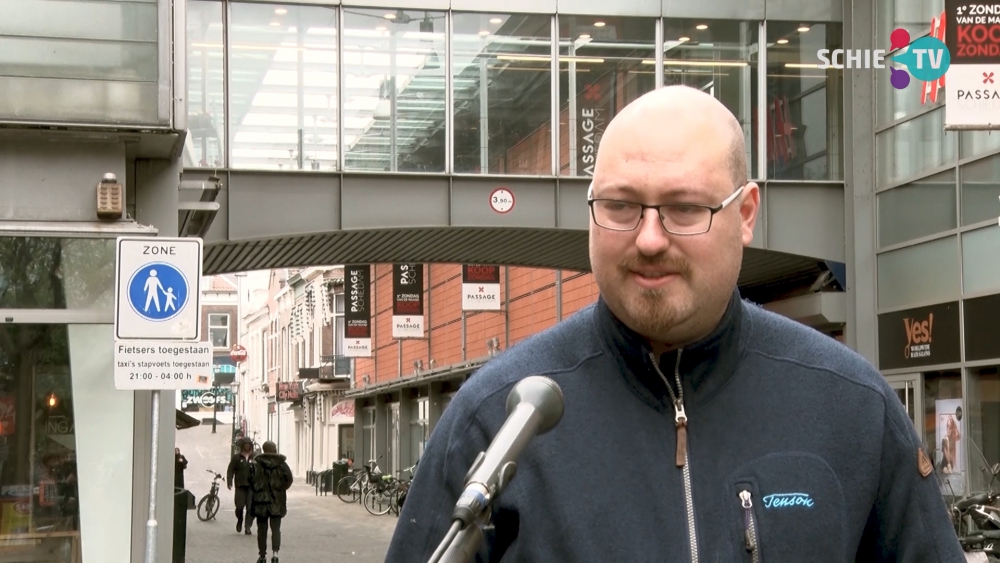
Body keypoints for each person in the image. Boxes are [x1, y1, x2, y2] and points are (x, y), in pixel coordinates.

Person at [384, 85, 965, 562]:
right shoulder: (497, 418)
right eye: (620, 206)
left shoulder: (852, 408)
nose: (650, 238)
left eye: (685, 209)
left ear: (745, 215)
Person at [250, 441, 293, 563]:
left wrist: (258, 490)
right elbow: (289, 479)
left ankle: (262, 555)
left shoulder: (256, 464)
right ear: (274, 449)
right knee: (275, 529)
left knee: (262, 530)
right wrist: (280, 489)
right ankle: (275, 555)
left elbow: (251, 480)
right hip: (276, 501)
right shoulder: (282, 464)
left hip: (260, 501)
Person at [227, 437, 255, 535]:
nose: (247, 446)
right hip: (240, 485)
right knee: (239, 506)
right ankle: (240, 519)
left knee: (250, 507)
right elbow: (230, 470)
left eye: (248, 445)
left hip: (251, 486)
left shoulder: (255, 457)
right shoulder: (237, 457)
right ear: (243, 446)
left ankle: (247, 526)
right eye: (245, 445)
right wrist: (229, 481)